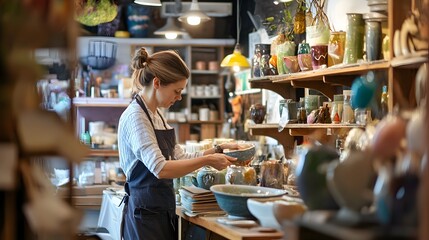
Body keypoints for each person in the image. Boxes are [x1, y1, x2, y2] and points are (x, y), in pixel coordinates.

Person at [118, 47, 238, 240]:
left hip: (160, 211)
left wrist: (218, 149)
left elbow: (180, 157)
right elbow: (161, 169)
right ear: (157, 83)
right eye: (177, 91)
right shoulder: (136, 117)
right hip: (144, 216)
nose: (179, 97)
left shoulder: (156, 115)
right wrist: (208, 160)